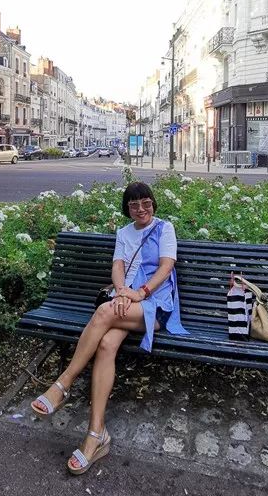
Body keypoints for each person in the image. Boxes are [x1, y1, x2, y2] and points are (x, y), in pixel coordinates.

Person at [30, 181, 188, 475]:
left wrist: (138, 293)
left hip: (155, 305)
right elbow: (118, 266)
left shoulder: (165, 228)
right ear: (127, 209)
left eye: (146, 203)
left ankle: (62, 385)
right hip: (126, 302)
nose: (141, 209)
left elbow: (167, 266)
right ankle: (96, 436)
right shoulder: (124, 233)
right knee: (106, 345)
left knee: (103, 313)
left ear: (153, 203)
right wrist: (121, 291)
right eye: (134, 205)